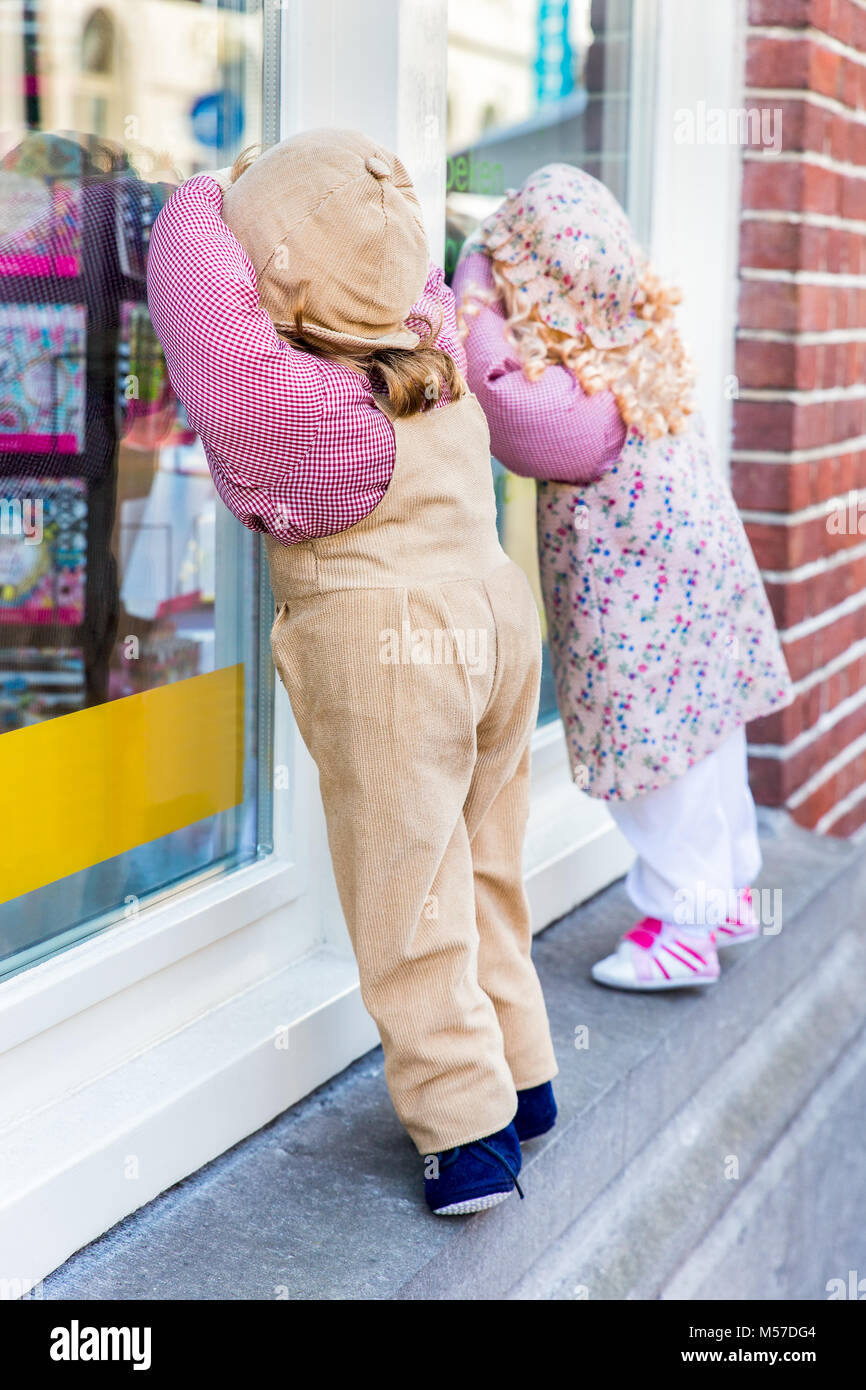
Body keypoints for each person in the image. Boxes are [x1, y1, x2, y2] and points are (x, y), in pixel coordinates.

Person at [146, 128, 558, 1215]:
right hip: (495, 621)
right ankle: (525, 1073)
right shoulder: (431, 343)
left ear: (275, 274)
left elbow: (199, 308)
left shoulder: (311, 411)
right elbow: (385, 247)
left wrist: (203, 190)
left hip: (393, 653)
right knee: (484, 864)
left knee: (405, 892)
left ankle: (463, 1128)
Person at [453, 163, 793, 993]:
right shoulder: (638, 347)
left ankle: (685, 924)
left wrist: (472, 284)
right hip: (697, 603)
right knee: (709, 743)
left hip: (643, 625)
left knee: (657, 771)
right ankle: (726, 890)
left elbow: (506, 406)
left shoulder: (582, 402)